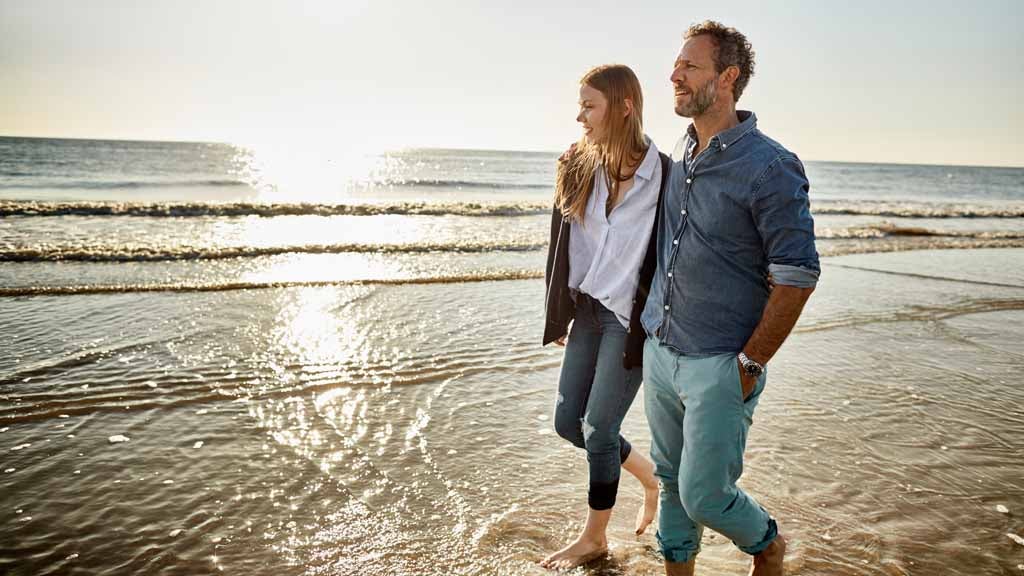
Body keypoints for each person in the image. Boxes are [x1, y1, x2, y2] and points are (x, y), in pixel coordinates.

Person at [641, 21, 820, 576]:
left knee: (705, 496)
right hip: (661, 350)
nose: (674, 75)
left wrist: (750, 363)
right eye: (677, 64)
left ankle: (767, 544)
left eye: (689, 66)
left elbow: (798, 275)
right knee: (670, 482)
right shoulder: (682, 150)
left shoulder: (771, 166)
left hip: (720, 363)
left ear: (727, 78)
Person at [541, 63, 671, 570]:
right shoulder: (578, 165)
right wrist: (559, 313)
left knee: (599, 428)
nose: (580, 117)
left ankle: (593, 538)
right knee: (568, 424)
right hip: (587, 311)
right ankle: (649, 477)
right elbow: (561, 244)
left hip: (628, 320)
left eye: (589, 106)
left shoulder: (665, 177)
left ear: (624, 107)